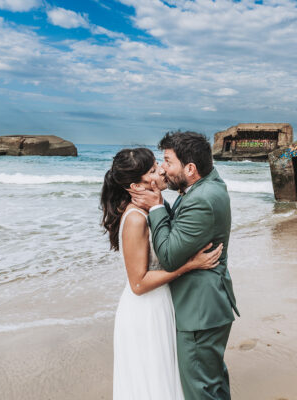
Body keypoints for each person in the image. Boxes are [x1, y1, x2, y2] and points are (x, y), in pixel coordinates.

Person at [100, 147, 224, 400]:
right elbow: (138, 283)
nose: (161, 171)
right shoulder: (135, 218)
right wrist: (189, 265)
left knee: (168, 378)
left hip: (163, 303)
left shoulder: (153, 208)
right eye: (152, 170)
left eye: (158, 164)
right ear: (136, 185)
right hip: (146, 311)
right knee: (153, 382)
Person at [129, 131, 239, 400]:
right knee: (212, 385)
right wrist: (161, 205)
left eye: (167, 161)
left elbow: (168, 256)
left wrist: (156, 208)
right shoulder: (203, 187)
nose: (163, 169)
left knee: (200, 391)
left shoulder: (201, 199)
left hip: (199, 311)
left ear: (190, 168)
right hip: (209, 308)